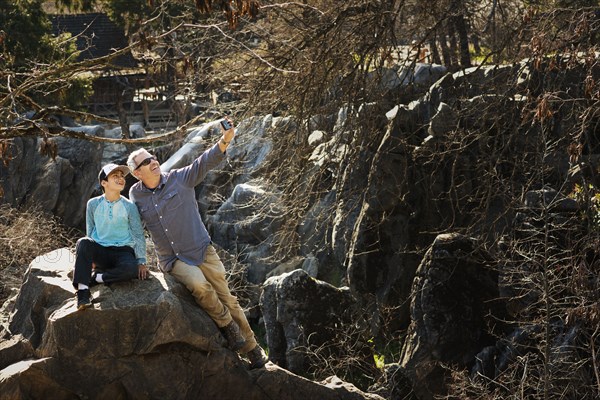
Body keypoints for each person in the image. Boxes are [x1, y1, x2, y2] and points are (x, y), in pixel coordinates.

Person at [126, 118, 268, 369]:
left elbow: (204, 161)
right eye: (146, 161)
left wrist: (225, 139)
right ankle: (227, 327)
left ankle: (253, 349)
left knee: (229, 298)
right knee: (200, 286)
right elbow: (132, 226)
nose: (154, 161)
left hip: (203, 250)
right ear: (137, 172)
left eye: (153, 157)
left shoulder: (180, 178)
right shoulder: (135, 195)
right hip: (173, 259)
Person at [73, 163, 149, 310]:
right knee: (83, 242)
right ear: (104, 183)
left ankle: (96, 278)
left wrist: (141, 261)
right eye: (115, 176)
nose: (121, 178)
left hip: (123, 252)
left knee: (131, 270)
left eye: (122, 176)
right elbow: (90, 230)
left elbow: (138, 234)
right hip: (100, 251)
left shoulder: (129, 206)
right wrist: (90, 259)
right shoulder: (93, 204)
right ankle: (83, 292)